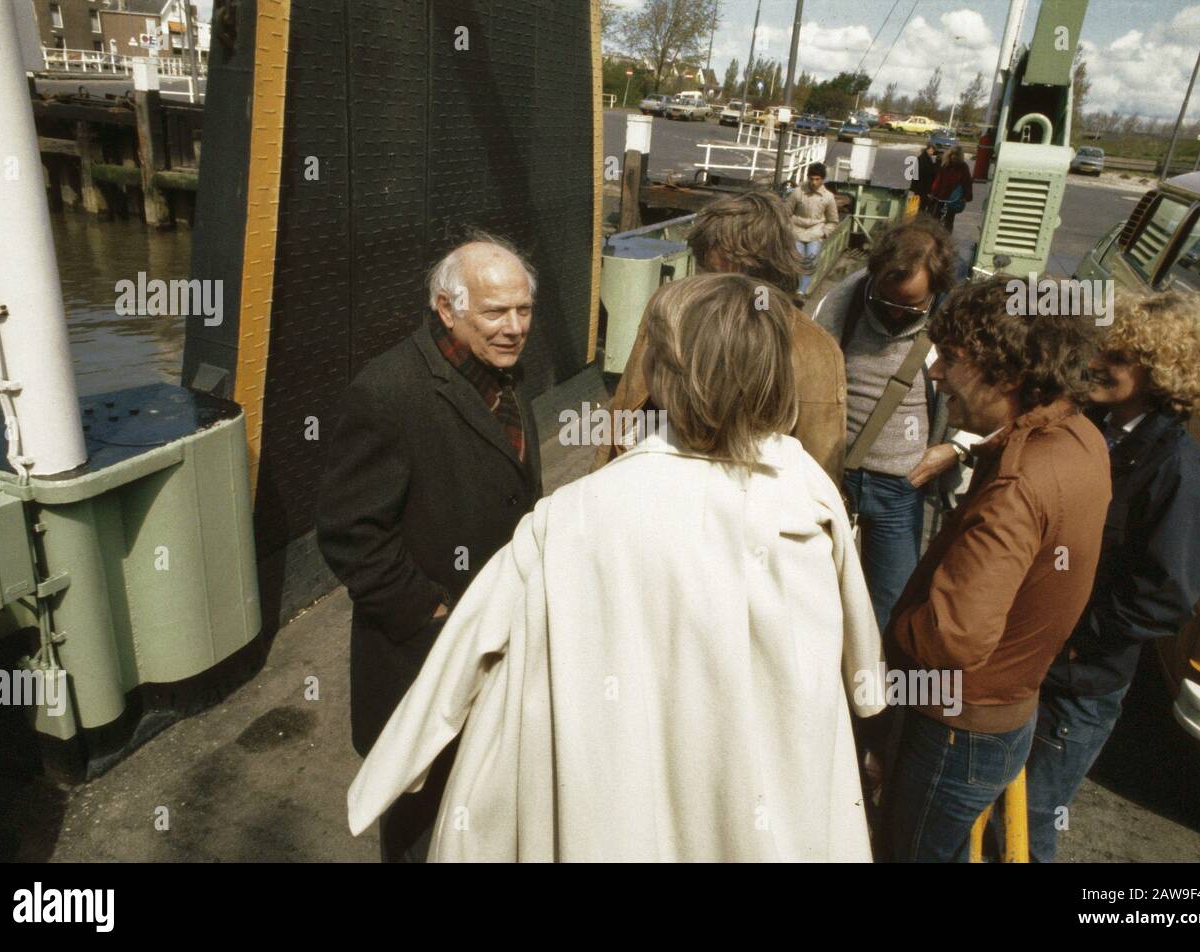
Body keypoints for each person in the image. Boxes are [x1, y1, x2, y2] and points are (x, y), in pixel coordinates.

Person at [348, 273, 886, 861]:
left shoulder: (574, 517)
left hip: (612, 808)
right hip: (771, 804)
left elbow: (461, 657)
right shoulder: (807, 492)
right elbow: (859, 643)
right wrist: (866, 696)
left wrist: (394, 770)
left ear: (663, 373)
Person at [316, 235, 542, 862]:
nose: (514, 327)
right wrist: (431, 612)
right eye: (495, 312)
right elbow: (348, 531)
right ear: (447, 309)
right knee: (419, 822)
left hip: (493, 649)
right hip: (421, 662)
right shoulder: (388, 392)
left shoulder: (503, 377)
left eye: (523, 310)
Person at [880, 276, 1111, 863]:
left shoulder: (1017, 485)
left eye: (952, 361)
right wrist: (967, 448)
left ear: (1006, 373)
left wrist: (890, 626)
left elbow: (954, 636)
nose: (935, 375)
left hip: (958, 727)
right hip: (1007, 717)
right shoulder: (1079, 435)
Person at [1025, 290, 1200, 862]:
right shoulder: (1093, 426)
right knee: (993, 802)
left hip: (1077, 683)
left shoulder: (1177, 471)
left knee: (1032, 820)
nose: (1098, 364)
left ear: (1160, 373)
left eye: (1119, 358)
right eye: (1103, 350)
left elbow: (1168, 597)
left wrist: (1072, 637)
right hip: (1037, 659)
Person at [593, 189, 848, 484]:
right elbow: (626, 402)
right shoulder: (669, 313)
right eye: (707, 273)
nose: (715, 292)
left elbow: (821, 462)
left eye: (732, 280)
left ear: (769, 271)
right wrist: (598, 481)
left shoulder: (812, 349)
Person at [811, 216, 962, 635]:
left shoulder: (956, 323)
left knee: (891, 602)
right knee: (815, 593)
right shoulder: (847, 302)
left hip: (903, 486)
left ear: (937, 289)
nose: (895, 313)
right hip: (834, 477)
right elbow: (807, 369)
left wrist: (956, 449)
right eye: (887, 300)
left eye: (910, 306)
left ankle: (875, 692)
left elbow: (989, 400)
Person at [784, 162, 840, 296]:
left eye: (817, 179)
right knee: (797, 260)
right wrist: (788, 229)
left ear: (823, 179)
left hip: (815, 232)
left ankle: (801, 292)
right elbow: (786, 212)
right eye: (812, 178)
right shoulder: (798, 192)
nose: (814, 182)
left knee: (811, 261)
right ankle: (793, 288)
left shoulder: (828, 197)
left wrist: (824, 233)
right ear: (808, 177)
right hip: (796, 230)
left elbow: (833, 221)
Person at [929, 145, 974, 232]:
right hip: (942, 197)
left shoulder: (962, 167)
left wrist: (966, 196)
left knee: (948, 220)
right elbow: (938, 181)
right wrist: (933, 194)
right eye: (952, 154)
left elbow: (966, 182)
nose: (954, 157)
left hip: (953, 198)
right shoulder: (945, 165)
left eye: (956, 155)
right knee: (937, 218)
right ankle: (936, 236)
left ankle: (945, 238)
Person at [909, 143, 940, 216]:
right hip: (923, 187)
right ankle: (918, 219)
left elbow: (916, 174)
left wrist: (913, 187)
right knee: (921, 206)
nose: (933, 152)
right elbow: (926, 173)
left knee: (917, 205)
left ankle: (915, 218)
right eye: (932, 150)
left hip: (919, 187)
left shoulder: (922, 158)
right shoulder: (924, 159)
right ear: (928, 149)